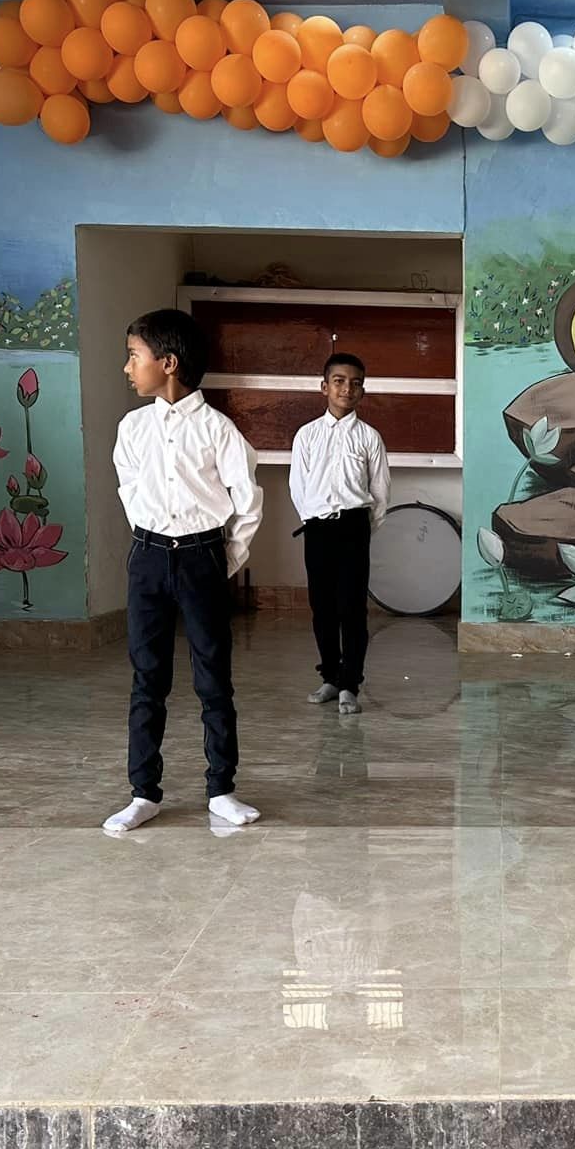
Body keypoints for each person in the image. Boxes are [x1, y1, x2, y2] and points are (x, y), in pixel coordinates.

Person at [104, 308, 263, 835]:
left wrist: (221, 560)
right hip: (148, 558)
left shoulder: (219, 430)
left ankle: (222, 789)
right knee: (147, 678)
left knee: (213, 677)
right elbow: (131, 492)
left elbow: (248, 502)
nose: (128, 367)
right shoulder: (133, 428)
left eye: (134, 356)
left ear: (168, 363)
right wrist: (153, 542)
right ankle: (143, 793)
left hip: (202, 558)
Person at [290, 352, 390, 716]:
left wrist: (358, 527)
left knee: (352, 609)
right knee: (322, 608)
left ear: (362, 390)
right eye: (339, 381)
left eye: (355, 383)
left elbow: (380, 493)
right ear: (324, 387)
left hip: (353, 528)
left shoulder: (369, 438)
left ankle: (350, 684)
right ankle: (330, 677)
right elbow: (298, 487)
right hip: (317, 528)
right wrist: (316, 520)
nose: (347, 389)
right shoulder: (307, 436)